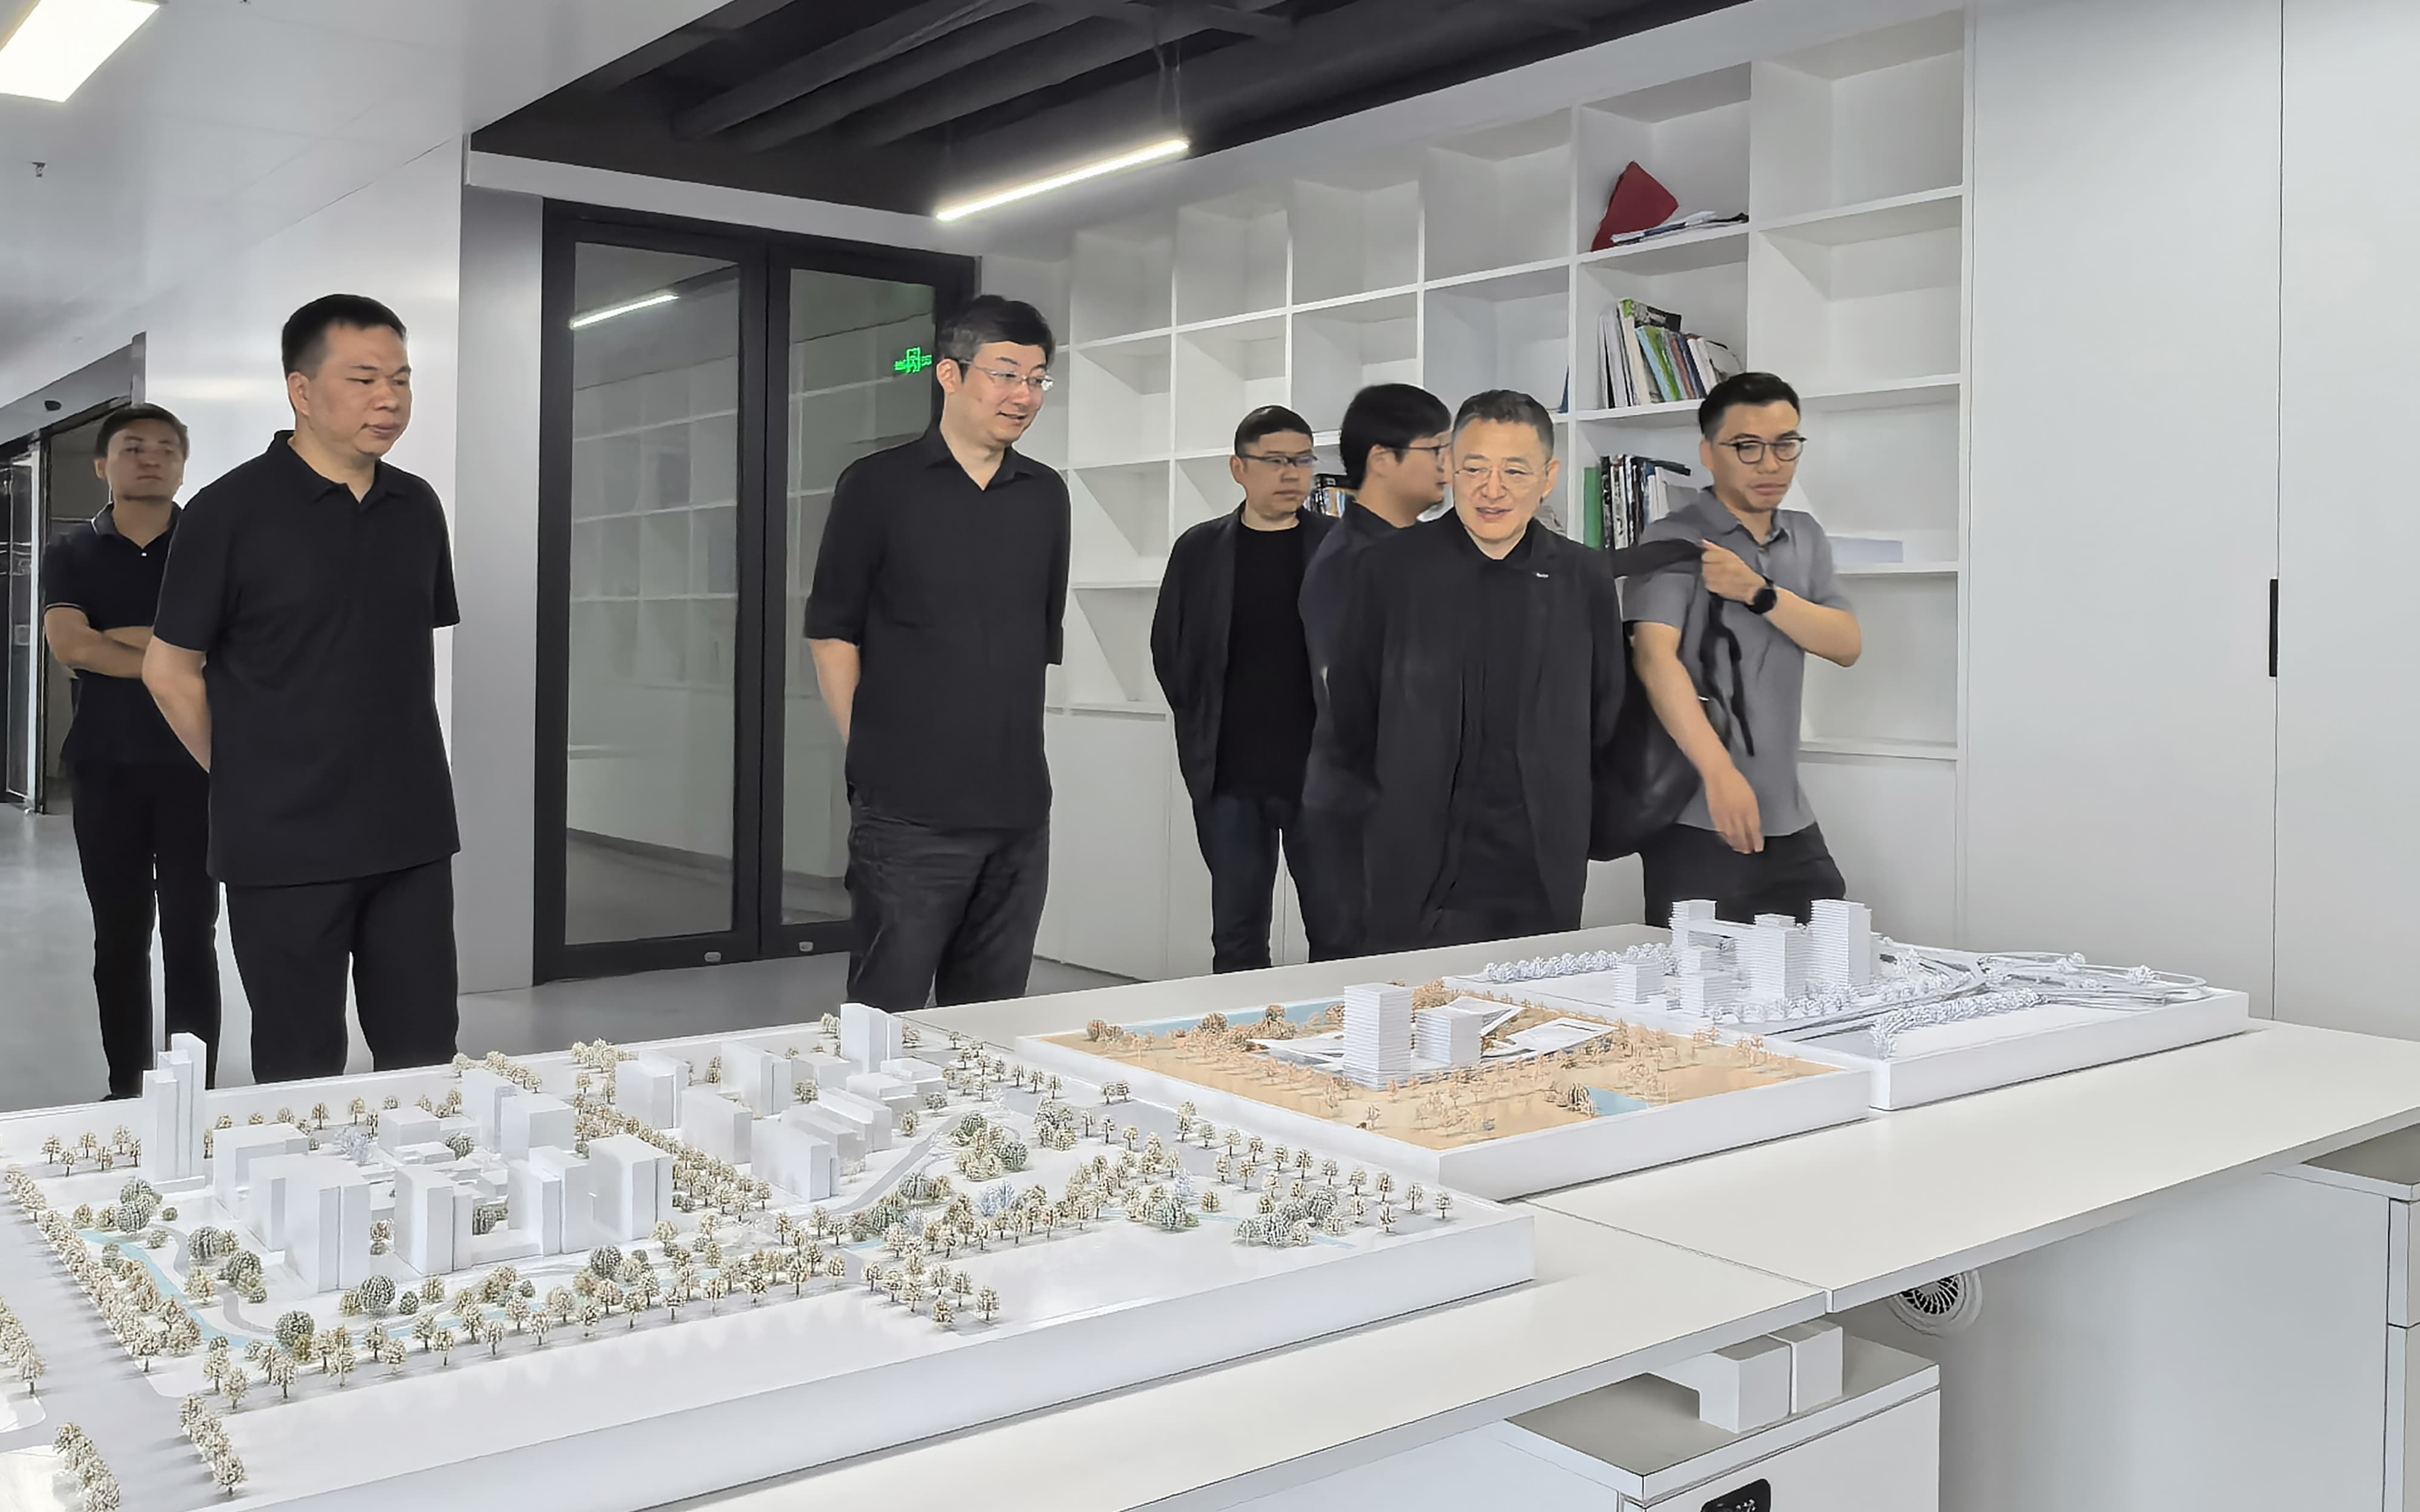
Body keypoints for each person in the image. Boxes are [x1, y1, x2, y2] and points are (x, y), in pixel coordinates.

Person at [146, 295, 461, 1084]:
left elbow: (387, 656)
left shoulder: (416, 506)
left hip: (411, 833)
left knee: (425, 1055)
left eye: (401, 379)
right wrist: (249, 773)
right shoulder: (227, 512)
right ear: (302, 389)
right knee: (300, 1066)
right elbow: (168, 669)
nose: (389, 399)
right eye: (364, 379)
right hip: (282, 843)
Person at [1327, 389, 1687, 951]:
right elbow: (1351, 708)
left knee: (1535, 998)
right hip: (1412, 855)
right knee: (1415, 1001)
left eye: (1515, 472)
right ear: (1450, 467)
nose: (1491, 490)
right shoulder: (1386, 568)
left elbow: (1605, 709)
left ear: (1548, 479)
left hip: (1541, 858)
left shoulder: (1582, 576)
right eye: (1475, 468)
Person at [805, 295, 1069, 1013]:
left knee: (989, 1022)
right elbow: (832, 634)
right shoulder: (877, 486)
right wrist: (875, 757)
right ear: (950, 374)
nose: (1023, 395)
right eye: (1005, 374)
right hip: (908, 815)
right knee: (885, 1018)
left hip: (1018, 812)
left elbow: (1035, 640)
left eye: (1037, 379)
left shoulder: (1046, 495)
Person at [1628, 371, 1863, 926]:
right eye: (1747, 447)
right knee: (1699, 977)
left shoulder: (1805, 535)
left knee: (1827, 962)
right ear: (1709, 452)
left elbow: (1846, 643)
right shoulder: (1673, 539)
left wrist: (1758, 592)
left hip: (1790, 818)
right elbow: (1654, 658)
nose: (1770, 464)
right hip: (1697, 816)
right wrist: (1720, 775)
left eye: (1786, 444)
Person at [40, 404, 220, 1098]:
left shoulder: (208, 547)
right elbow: (71, 645)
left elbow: (226, 647)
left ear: (182, 464)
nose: (151, 458)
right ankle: (126, 1090)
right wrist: (172, 650)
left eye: (166, 448)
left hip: (195, 764)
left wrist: (118, 639)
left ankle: (190, 1093)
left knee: (191, 934)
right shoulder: (71, 552)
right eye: (133, 447)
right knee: (118, 936)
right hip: (104, 766)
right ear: (103, 465)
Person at [1150, 405, 1340, 971]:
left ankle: (1339, 1027)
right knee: (1237, 934)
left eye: (1302, 461)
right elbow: (1170, 651)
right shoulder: (1200, 550)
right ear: (1239, 468)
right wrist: (1201, 724)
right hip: (1230, 776)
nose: (1291, 474)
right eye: (1275, 461)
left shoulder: (1342, 547)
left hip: (1324, 778)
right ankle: (1243, 1028)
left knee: (1338, 930)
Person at [1293, 383, 1453, 957]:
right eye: (1436, 450)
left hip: (1418, 806)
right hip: (1365, 810)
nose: (1449, 465)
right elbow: (1349, 695)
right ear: (1383, 459)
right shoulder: (1355, 560)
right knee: (1364, 981)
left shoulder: (1422, 550)